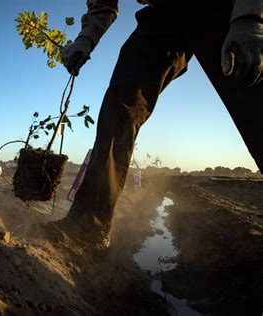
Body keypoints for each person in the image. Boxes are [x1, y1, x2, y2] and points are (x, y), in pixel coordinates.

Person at [51, 0, 262, 248]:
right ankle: (87, 229)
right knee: (122, 103)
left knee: (250, 81)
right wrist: (85, 39)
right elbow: (103, 4)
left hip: (226, 7)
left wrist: (251, 19)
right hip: (164, 13)